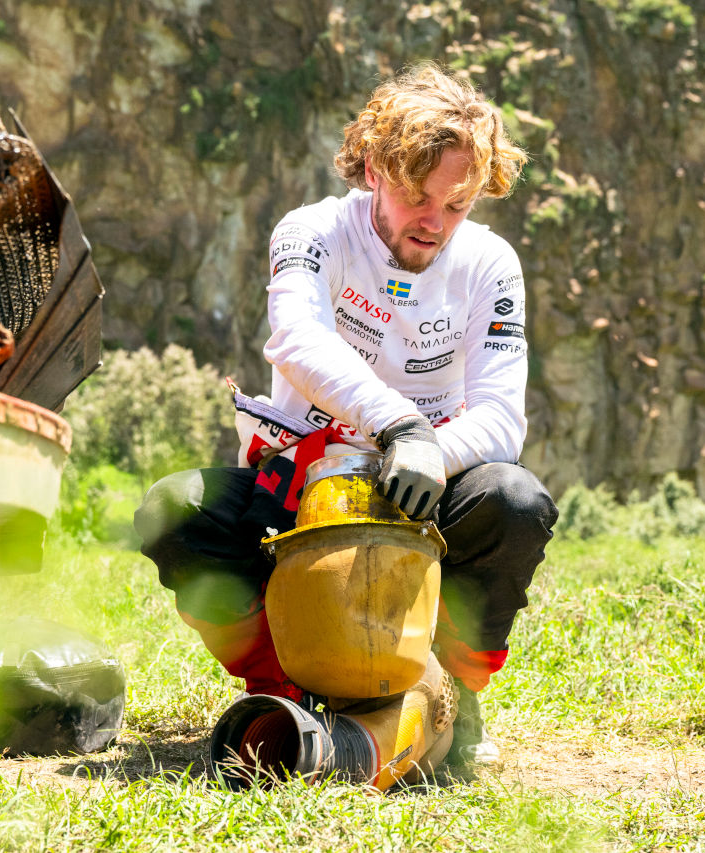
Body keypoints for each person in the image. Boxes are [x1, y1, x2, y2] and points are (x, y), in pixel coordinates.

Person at [134, 63, 558, 767]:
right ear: (371, 166)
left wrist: (431, 452)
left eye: (457, 205)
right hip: (302, 489)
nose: (435, 224)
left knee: (515, 501)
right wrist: (399, 425)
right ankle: (287, 690)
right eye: (417, 197)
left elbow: (500, 417)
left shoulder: (492, 264)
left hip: (426, 491)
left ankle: (453, 689)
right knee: (173, 510)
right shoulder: (312, 231)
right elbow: (297, 340)